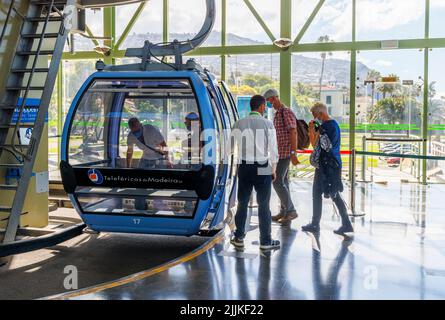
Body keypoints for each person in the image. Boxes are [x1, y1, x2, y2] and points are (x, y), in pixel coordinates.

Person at [229, 95, 280, 250]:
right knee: (264, 204)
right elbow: (273, 151)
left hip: (244, 165)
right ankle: (265, 241)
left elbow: (230, 149)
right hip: (263, 165)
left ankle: (238, 237)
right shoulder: (268, 124)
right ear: (262, 107)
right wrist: (273, 170)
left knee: (242, 202)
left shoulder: (239, 123)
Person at [301, 102, 354, 236]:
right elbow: (317, 145)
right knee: (322, 193)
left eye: (315, 115)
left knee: (333, 194)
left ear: (321, 113)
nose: (314, 118)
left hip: (329, 166)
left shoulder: (329, 126)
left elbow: (323, 146)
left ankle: (343, 223)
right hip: (327, 165)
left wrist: (315, 131)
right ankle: (317, 223)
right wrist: (314, 131)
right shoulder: (330, 125)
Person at [263, 88, 299, 225]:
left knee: (277, 181)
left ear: (274, 98)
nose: (267, 104)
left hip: (285, 153)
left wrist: (293, 153)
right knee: (284, 182)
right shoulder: (278, 113)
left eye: (268, 101)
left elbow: (293, 132)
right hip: (280, 153)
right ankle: (284, 212)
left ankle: (291, 210)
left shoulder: (286, 112)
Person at [126, 117, 169, 210]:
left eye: (137, 130)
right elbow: (130, 151)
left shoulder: (151, 129)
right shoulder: (131, 135)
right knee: (140, 184)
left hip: (159, 158)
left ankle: (158, 209)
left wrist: (168, 159)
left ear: (140, 125)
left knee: (158, 184)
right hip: (145, 158)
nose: (136, 133)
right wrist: (128, 168)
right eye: (133, 131)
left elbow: (164, 145)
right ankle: (140, 208)